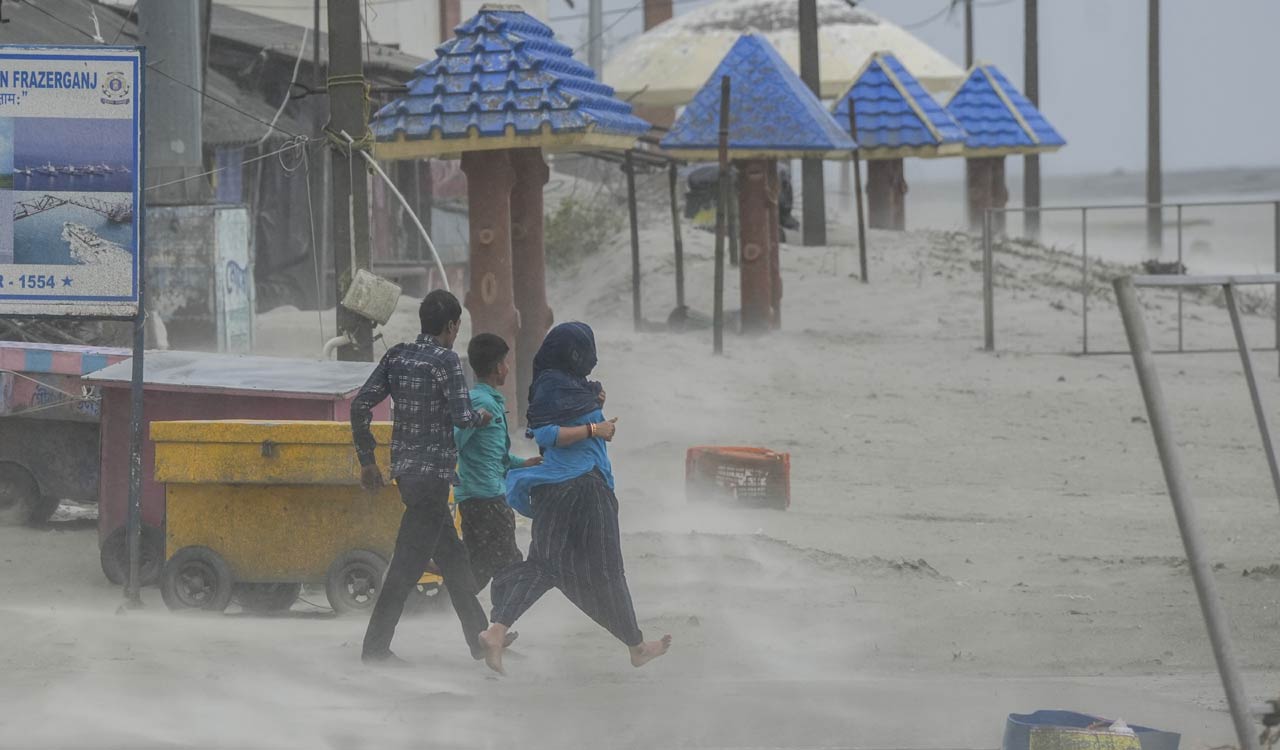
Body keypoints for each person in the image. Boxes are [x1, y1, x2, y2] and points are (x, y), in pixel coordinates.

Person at [477, 322, 672, 674]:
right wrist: (596, 428)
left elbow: (557, 419)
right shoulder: (557, 387)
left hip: (554, 489)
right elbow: (549, 435)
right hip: (585, 488)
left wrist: (594, 408)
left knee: (544, 565)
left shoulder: (559, 387)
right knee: (608, 571)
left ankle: (496, 629)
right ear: (573, 354)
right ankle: (637, 646)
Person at [350, 289, 494, 665]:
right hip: (434, 476)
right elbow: (463, 417)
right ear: (452, 326)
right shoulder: (446, 361)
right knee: (404, 568)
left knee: (454, 559)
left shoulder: (397, 354)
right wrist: (483, 417)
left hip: (407, 474)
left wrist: (367, 460)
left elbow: (360, 404)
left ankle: (482, 641)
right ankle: (375, 649)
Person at [453, 333, 540, 597]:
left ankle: (436, 605)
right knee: (510, 563)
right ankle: (502, 621)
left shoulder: (489, 401)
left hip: (478, 496)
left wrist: (523, 463)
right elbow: (453, 441)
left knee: (478, 568)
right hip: (486, 498)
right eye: (505, 362)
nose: (508, 367)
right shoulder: (481, 403)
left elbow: (497, 457)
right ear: (496, 368)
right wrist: (475, 421)